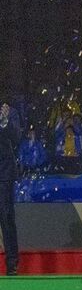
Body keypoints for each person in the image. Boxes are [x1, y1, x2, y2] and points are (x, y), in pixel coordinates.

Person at [0, 102, 21, 275]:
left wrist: (4, 122)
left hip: (3, 173)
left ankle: (12, 264)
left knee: (6, 217)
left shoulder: (9, 111)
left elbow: (16, 138)